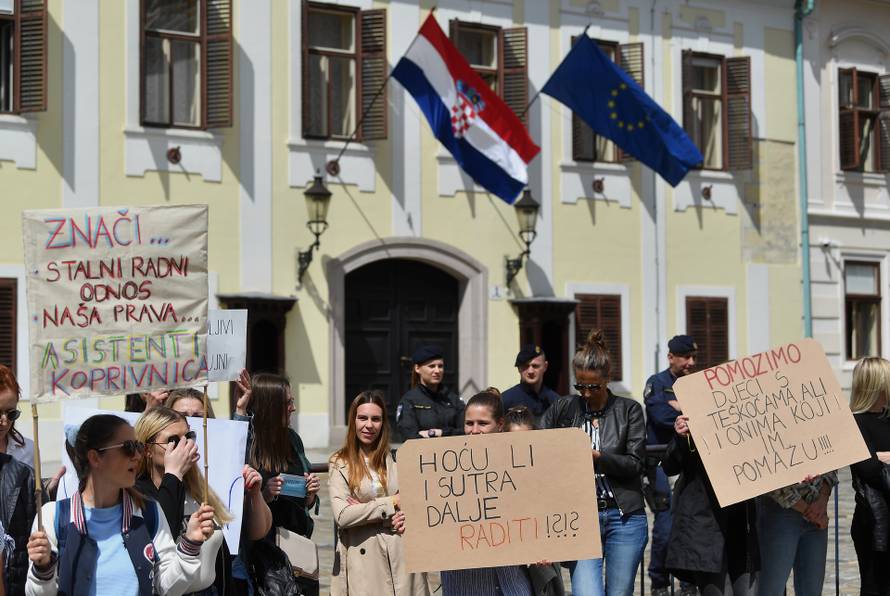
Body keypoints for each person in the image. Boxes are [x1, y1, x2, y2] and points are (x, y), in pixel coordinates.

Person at [25, 414, 215, 596]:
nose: (137, 456)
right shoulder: (54, 516)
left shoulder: (148, 512)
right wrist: (43, 568)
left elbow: (167, 588)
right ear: (95, 458)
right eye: (128, 447)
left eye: (139, 447)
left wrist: (190, 543)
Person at [540, 330, 647, 596]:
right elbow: (538, 450)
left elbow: (635, 463)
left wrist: (598, 458)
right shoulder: (564, 408)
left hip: (624, 516)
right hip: (580, 517)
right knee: (586, 592)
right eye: (580, 386)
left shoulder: (629, 410)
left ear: (607, 380)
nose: (586, 393)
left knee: (619, 592)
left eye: (593, 386)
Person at [135, 406, 272, 595]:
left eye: (189, 437)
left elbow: (224, 555)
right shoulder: (137, 493)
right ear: (147, 449)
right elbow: (163, 533)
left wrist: (254, 494)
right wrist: (173, 474)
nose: (186, 446)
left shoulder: (196, 488)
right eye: (173, 441)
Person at [329, 390, 431, 595]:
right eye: (362, 418)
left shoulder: (395, 459)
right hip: (364, 561)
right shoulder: (340, 462)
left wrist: (370, 512)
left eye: (376, 419)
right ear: (353, 421)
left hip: (401, 557)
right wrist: (391, 503)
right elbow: (343, 516)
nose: (369, 425)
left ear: (383, 423)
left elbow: (415, 505)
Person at [440, 389, 535, 596]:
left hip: (511, 580)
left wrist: (546, 546)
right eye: (469, 423)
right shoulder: (444, 468)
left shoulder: (520, 463)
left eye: (482, 424)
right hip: (465, 581)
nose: (474, 430)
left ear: (500, 425)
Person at [235, 372, 321, 596]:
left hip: (296, 547)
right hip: (262, 557)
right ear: (270, 406)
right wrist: (264, 495)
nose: (293, 408)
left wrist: (310, 493)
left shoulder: (292, 439)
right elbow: (235, 499)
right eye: (288, 403)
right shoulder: (249, 443)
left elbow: (305, 501)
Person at [663, 415, 759, 595]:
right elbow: (670, 466)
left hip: (742, 527)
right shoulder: (694, 417)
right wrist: (680, 437)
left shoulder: (748, 415)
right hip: (705, 527)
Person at [642, 335, 698, 596]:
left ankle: (688, 582)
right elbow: (660, 415)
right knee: (664, 527)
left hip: (689, 463)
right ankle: (659, 581)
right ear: (671, 357)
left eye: (693, 357)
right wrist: (686, 411)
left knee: (689, 526)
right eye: (686, 357)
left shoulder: (697, 383)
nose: (691, 362)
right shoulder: (657, 383)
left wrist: (679, 406)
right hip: (660, 464)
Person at [503, 406, 566, 596]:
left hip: (539, 561)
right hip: (504, 557)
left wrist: (550, 548)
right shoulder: (491, 473)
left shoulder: (547, 472)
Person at [849, 357, 890, 595]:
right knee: (876, 587)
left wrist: (883, 456)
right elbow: (871, 470)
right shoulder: (855, 423)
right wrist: (879, 459)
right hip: (875, 523)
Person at [397, 345, 465, 440]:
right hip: (422, 454)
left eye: (440, 366)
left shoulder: (453, 399)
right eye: (431, 366)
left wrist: (439, 433)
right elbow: (409, 435)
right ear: (417, 368)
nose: (437, 371)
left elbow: (465, 431)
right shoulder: (409, 400)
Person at [501, 345, 560, 420]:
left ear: (545, 366)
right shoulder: (505, 400)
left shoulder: (555, 401)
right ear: (519, 368)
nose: (530, 371)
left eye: (535, 366)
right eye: (525, 366)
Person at [0, 364, 35, 466]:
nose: (5, 422)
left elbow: (33, 482)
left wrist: (45, 483)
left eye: (12, 414)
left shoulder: (28, 449)